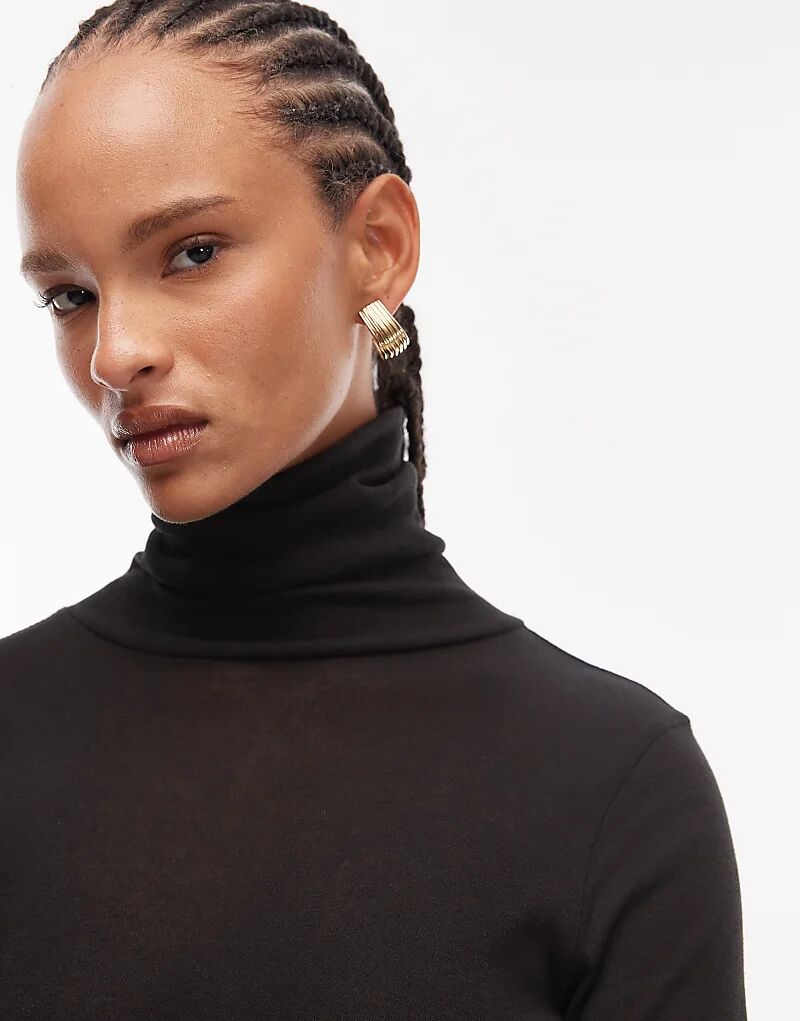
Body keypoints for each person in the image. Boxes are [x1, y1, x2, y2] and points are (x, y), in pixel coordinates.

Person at [3, 2, 747, 1017]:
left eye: (191, 252)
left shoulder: (613, 786)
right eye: (69, 295)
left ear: (379, 248)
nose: (115, 353)